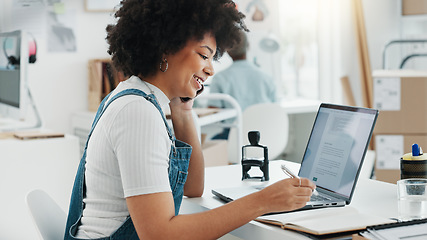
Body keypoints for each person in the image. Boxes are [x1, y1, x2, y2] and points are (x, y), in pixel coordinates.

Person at [64, 0, 315, 239]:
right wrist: (262, 202)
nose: (211, 69)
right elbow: (161, 234)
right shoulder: (137, 112)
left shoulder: (138, 98)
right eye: (204, 55)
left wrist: (182, 112)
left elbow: (192, 188)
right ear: (166, 46)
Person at [208, 31, 277, 139]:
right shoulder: (267, 77)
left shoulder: (220, 78)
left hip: (235, 136)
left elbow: (212, 112)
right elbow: (275, 108)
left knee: (211, 142)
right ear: (248, 46)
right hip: (265, 137)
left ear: (227, 51)